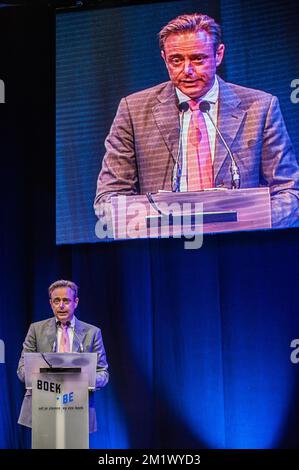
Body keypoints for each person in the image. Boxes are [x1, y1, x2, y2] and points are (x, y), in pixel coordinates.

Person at [94, 12, 299, 228]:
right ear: (164, 59)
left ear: (218, 55)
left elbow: (290, 192)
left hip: (240, 247)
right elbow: (108, 198)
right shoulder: (133, 111)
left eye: (197, 59)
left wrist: (246, 223)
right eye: (176, 60)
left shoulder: (260, 107)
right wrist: (153, 226)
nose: (187, 71)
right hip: (164, 251)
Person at [17, 279, 109, 433]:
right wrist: (45, 381)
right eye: (56, 301)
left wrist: (82, 379)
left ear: (76, 302)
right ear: (51, 303)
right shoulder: (36, 329)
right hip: (43, 406)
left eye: (66, 301)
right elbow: (21, 369)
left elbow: (103, 373)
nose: (61, 305)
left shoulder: (92, 333)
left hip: (77, 405)